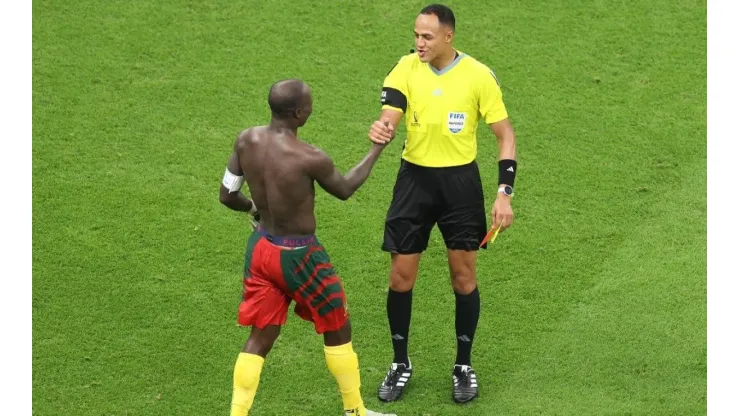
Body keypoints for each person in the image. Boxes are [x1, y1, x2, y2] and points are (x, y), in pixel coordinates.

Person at [367, 4, 518, 404]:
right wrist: (384, 125)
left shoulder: (478, 75)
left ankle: (463, 365)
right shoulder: (405, 67)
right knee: (400, 276)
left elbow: (504, 135)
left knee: (463, 278)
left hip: (460, 185)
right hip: (413, 181)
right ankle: (400, 363)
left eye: (427, 37)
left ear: (448, 36)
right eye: (416, 35)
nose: (419, 43)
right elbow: (392, 110)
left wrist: (505, 192)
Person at [220, 79, 396, 416]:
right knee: (337, 324)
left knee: (261, 335)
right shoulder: (309, 157)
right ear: (300, 113)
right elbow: (344, 189)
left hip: (261, 249)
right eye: (310, 105)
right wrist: (377, 148)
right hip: (299, 255)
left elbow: (227, 195)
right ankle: (355, 411)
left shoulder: (246, 140)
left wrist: (253, 210)